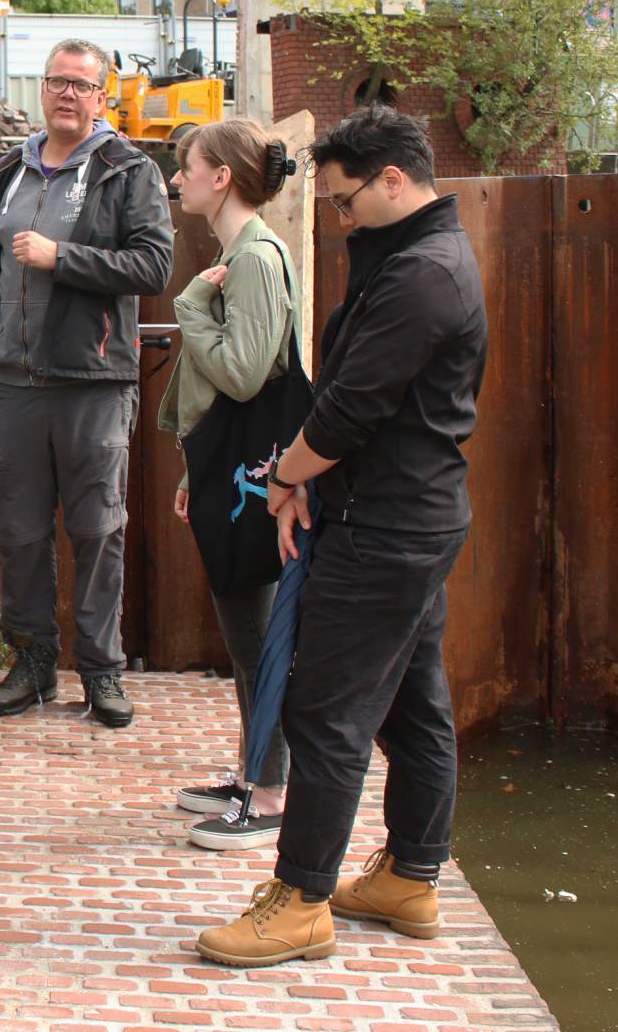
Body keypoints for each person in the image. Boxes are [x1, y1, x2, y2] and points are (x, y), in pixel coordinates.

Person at [196, 104, 488, 968]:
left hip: (388, 525)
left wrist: (287, 478)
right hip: (408, 516)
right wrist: (300, 477)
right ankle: (410, 871)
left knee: (324, 707)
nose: (340, 217)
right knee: (413, 701)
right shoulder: (415, 257)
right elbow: (345, 397)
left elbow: (354, 404)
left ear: (394, 179)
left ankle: (303, 897)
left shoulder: (422, 275)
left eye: (347, 201)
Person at [0, 38, 174, 728]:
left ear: (101, 96)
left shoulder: (129, 171)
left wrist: (63, 257)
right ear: (43, 88)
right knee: (21, 532)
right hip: (18, 381)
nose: (68, 93)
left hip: (93, 381)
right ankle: (32, 665)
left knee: (98, 531)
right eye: (57, 81)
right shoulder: (9, 171)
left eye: (81, 85)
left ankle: (101, 673)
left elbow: (153, 267)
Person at [158, 119, 300, 851]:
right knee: (244, 632)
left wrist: (188, 309)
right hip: (230, 470)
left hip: (252, 479)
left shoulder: (254, 260)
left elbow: (243, 373)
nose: (177, 178)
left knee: (257, 638)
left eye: (187, 166)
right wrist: (192, 470)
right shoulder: (237, 253)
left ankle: (271, 793)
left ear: (222, 178)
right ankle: (253, 775)